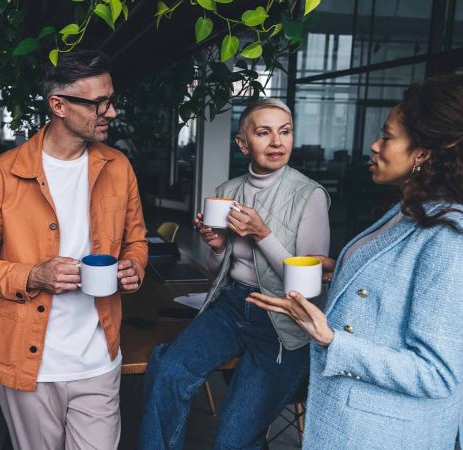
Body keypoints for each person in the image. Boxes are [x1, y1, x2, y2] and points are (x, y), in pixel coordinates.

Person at [247, 73, 463, 450]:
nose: (373, 145)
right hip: (355, 419)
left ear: (425, 153)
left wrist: (331, 339)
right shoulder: (411, 209)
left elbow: (436, 373)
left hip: (383, 433)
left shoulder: (458, 235)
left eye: (387, 137)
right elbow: (397, 280)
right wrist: (348, 271)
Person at [0, 50, 148, 450]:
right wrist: (33, 274)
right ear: (58, 105)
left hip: (99, 357)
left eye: (111, 100)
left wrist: (135, 266)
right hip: (29, 363)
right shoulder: (1, 175)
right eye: (98, 103)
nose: (110, 112)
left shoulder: (119, 166)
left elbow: (137, 241)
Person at [139, 99, 330, 449]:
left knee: (232, 439)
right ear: (243, 144)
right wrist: (215, 246)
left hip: (282, 319)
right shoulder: (229, 191)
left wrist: (263, 234)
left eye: (284, 132)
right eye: (264, 133)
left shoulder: (309, 194)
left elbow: (307, 287)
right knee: (168, 370)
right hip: (231, 305)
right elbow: (219, 271)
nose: (276, 142)